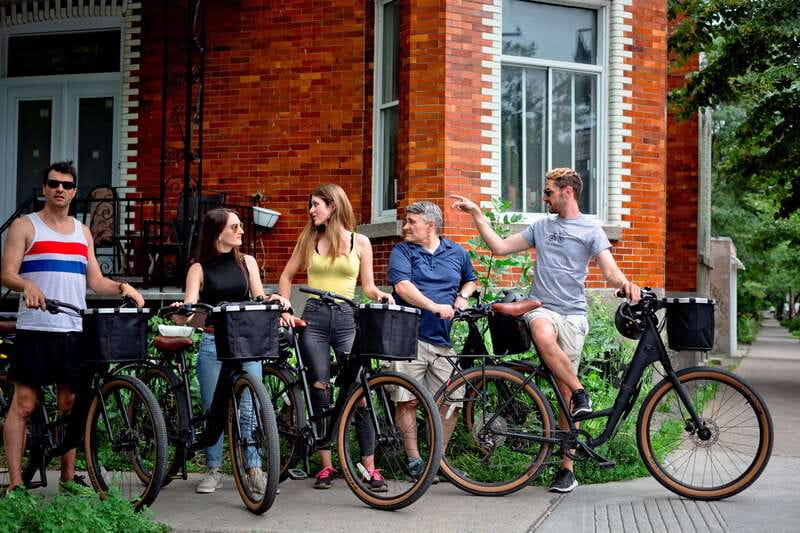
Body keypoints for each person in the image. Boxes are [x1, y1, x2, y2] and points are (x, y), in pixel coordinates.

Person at [451, 167, 641, 493]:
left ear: (568, 192)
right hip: (543, 308)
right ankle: (581, 390)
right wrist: (478, 215)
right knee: (541, 332)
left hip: (574, 317)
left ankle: (567, 469)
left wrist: (626, 284)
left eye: (549, 192)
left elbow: (609, 271)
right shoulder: (541, 227)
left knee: (565, 397)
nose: (544, 198)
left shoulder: (591, 229)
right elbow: (500, 248)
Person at [1, 161, 145, 495]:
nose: (60, 189)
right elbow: (7, 273)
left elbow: (95, 280)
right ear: (45, 188)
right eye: (54, 184)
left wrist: (122, 286)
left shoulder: (83, 232)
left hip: (72, 329)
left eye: (66, 185)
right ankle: (16, 484)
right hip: (36, 328)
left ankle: (68, 478)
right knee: (24, 404)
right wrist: (26, 286)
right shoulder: (25, 226)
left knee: (71, 405)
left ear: (74, 191)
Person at [279, 183, 394, 490]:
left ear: (333, 206)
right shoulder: (308, 239)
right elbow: (286, 276)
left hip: (346, 318)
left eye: (316, 204)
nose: (311, 210)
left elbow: (367, 286)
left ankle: (370, 468)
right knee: (320, 389)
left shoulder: (361, 242)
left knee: (360, 392)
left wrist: (380, 294)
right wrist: (285, 305)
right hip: (314, 318)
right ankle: (326, 466)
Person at [174, 208, 290, 496]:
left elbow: (259, 297)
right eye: (234, 227)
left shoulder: (247, 262)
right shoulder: (198, 268)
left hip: (246, 343)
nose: (241, 231)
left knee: (250, 408)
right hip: (213, 343)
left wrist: (276, 300)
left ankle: (254, 468)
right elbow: (190, 308)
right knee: (213, 409)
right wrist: (182, 311)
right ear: (218, 233)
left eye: (240, 226)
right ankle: (213, 469)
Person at [386, 201, 478, 479]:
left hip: (441, 340)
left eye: (411, 222)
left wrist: (463, 296)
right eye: (406, 221)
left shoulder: (456, 252)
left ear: (430, 226)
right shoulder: (402, 251)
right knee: (407, 401)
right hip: (406, 338)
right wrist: (433, 306)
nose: (405, 227)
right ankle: (414, 461)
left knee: (451, 401)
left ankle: (439, 461)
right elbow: (403, 286)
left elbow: (471, 280)